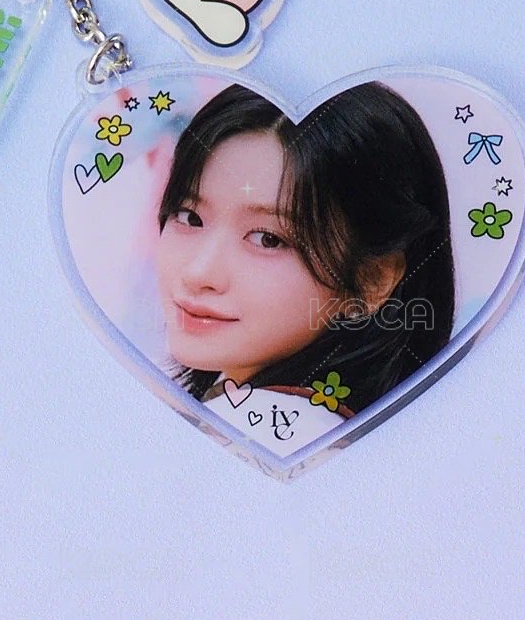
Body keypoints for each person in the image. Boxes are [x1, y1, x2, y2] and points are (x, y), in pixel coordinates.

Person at [155, 81, 455, 427]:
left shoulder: (283, 430)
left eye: (268, 239)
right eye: (190, 217)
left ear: (371, 280)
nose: (198, 273)